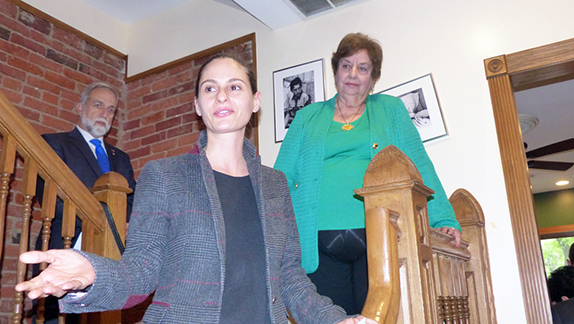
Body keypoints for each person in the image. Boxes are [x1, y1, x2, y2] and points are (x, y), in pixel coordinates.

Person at [17, 54, 377, 324]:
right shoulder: (163, 175)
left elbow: (291, 278)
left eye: (234, 86)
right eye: (210, 88)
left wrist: (336, 319)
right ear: (197, 106)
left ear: (254, 101)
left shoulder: (276, 184)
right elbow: (141, 271)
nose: (221, 96)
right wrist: (94, 273)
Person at [274, 32, 461, 315]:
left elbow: (419, 166)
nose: (353, 74)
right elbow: (281, 178)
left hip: (380, 240)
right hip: (317, 245)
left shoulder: (391, 110)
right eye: (346, 65)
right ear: (335, 71)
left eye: (363, 68)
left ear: (373, 79)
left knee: (379, 317)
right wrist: (273, 233)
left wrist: (443, 218)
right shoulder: (306, 117)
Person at [33, 82, 136, 323]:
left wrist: (127, 224)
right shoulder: (54, 143)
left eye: (111, 109)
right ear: (80, 107)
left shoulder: (121, 158)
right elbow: (49, 196)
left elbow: (131, 201)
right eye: (98, 105)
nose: (105, 114)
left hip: (111, 261)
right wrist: (98, 223)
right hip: (65, 247)